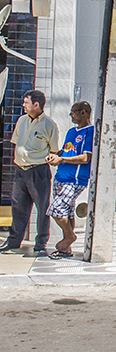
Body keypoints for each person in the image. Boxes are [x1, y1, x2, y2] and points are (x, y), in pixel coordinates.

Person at [0, 90, 59, 254]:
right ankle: (14, 241)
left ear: (36, 104)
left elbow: (54, 150)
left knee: (42, 208)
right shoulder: (21, 121)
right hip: (20, 170)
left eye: (26, 102)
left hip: (38, 171)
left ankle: (40, 243)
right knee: (18, 206)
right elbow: (15, 141)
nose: (23, 105)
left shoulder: (49, 125)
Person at [45, 101, 94, 259]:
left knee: (56, 209)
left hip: (75, 179)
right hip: (61, 177)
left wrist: (63, 160)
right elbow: (66, 150)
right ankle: (67, 249)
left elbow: (86, 157)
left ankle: (69, 238)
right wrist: (57, 156)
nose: (71, 115)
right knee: (68, 212)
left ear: (83, 112)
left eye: (74, 112)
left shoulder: (90, 132)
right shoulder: (71, 131)